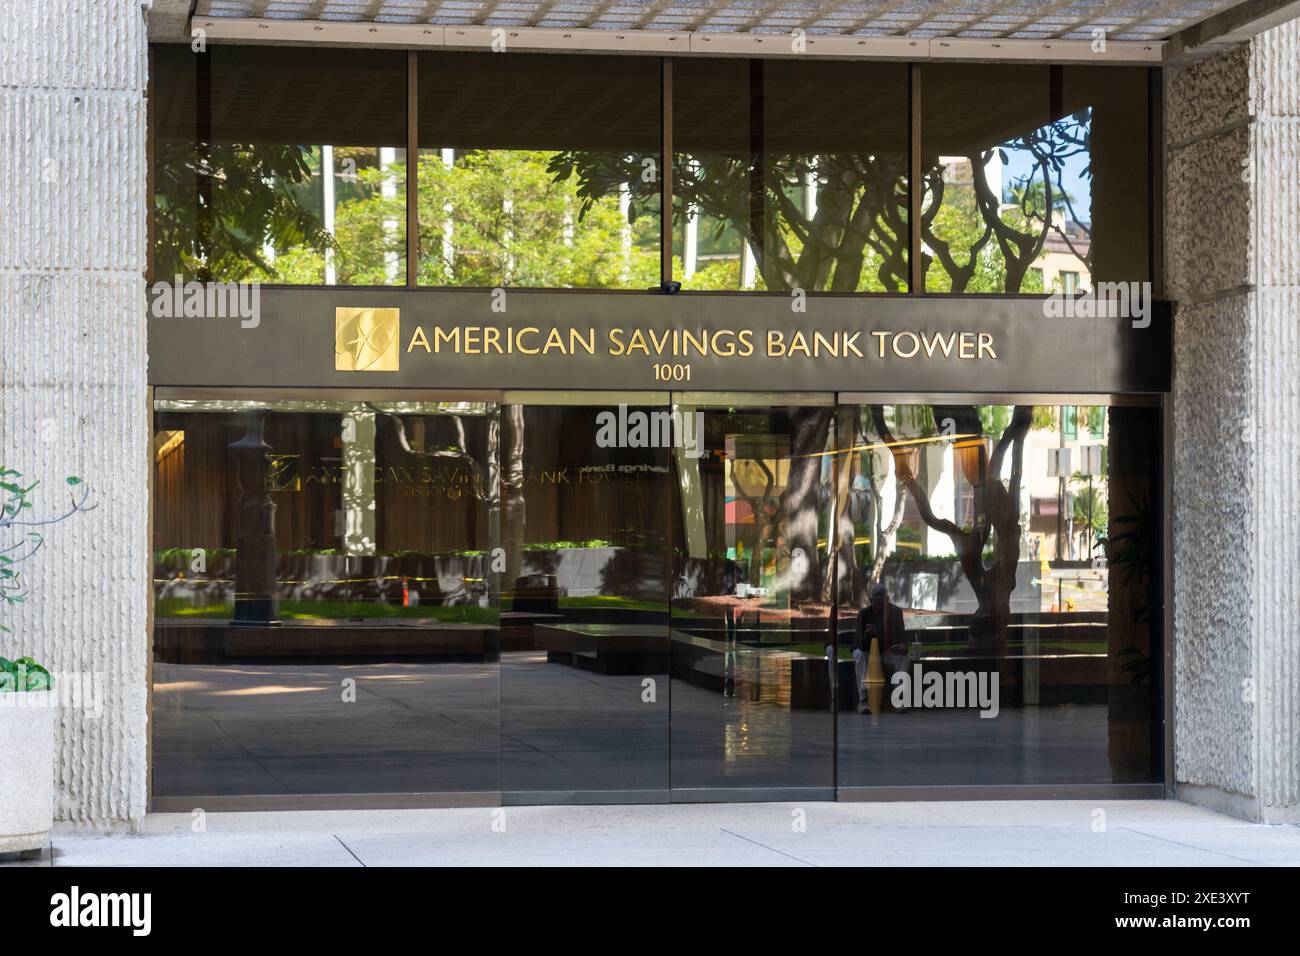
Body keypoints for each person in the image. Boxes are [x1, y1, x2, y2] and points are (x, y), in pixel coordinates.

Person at [854, 581, 908, 714]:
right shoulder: (864, 614)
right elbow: (860, 644)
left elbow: (901, 637)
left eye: (882, 603)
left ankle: (898, 699)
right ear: (871, 601)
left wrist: (903, 646)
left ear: (887, 600)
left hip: (886, 651)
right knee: (860, 655)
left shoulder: (895, 612)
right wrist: (868, 634)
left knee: (904, 658)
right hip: (868, 650)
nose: (879, 607)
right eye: (876, 603)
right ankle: (863, 700)